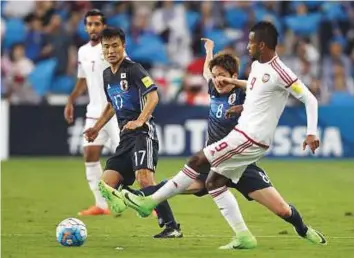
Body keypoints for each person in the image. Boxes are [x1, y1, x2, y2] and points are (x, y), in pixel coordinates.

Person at [108, 22, 327, 248]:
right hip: (227, 153)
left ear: (262, 44)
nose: (247, 45)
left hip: (246, 146)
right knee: (210, 182)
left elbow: (305, 98)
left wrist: (311, 132)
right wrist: (212, 56)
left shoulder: (276, 73)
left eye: (251, 41)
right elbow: (256, 90)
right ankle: (241, 236)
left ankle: (302, 229)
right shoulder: (248, 72)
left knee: (276, 206)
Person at [83, 27, 182, 238]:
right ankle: (134, 201)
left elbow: (153, 96)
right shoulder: (107, 74)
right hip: (125, 137)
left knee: (145, 179)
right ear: (102, 49)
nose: (110, 51)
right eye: (106, 46)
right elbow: (111, 105)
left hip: (143, 133)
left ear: (123, 46)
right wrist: (97, 127)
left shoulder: (134, 69)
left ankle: (172, 226)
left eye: (115, 46)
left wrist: (140, 120)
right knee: (106, 184)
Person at [64, 9, 119, 216]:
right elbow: (83, 80)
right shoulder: (83, 51)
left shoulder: (112, 48)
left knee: (132, 160)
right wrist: (71, 100)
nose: (93, 28)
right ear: (85, 27)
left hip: (114, 112)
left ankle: (153, 203)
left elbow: (126, 74)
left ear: (103, 26)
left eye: (97, 24)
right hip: (94, 111)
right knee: (90, 155)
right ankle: (101, 205)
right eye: (89, 24)